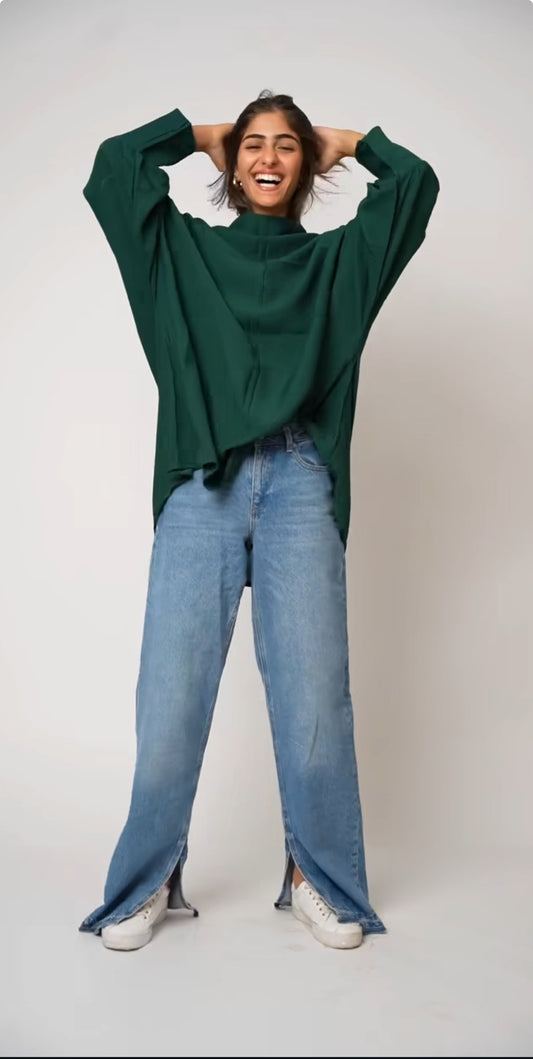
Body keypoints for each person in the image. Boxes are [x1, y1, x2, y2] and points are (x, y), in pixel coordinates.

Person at [78, 90, 439, 951]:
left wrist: (350, 141)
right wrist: (199, 133)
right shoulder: (179, 251)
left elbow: (414, 185)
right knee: (170, 702)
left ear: (307, 163)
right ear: (232, 165)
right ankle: (149, 879)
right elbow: (114, 169)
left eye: (286, 144)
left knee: (314, 702)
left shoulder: (337, 262)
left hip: (299, 483)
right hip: (202, 483)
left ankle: (318, 878)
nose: (268, 157)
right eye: (253, 145)